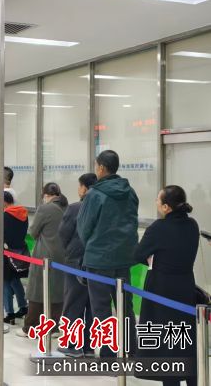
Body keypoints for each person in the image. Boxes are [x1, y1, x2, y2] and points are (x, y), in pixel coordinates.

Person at [134, 186, 198, 386]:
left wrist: (154, 260)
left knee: (165, 341)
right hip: (186, 286)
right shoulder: (192, 225)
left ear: (166, 207)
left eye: (158, 199)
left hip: (161, 288)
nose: (156, 202)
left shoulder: (158, 228)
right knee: (184, 337)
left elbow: (137, 254)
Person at [77, 150, 138, 357]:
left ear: (102, 168)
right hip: (124, 258)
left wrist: (93, 246)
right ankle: (130, 349)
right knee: (125, 306)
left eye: (96, 165)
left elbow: (84, 228)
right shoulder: (130, 192)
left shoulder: (95, 194)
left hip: (99, 260)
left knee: (101, 309)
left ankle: (108, 355)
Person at [17, 182, 68, 337]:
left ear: (46, 195)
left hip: (44, 255)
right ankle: (54, 327)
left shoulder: (45, 208)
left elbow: (33, 232)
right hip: (63, 256)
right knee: (57, 291)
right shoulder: (67, 207)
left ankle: (30, 327)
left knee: (37, 291)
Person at [57, 173, 97, 357]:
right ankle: (88, 346)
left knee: (73, 302)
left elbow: (63, 235)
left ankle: (71, 344)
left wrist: (70, 251)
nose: (78, 189)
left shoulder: (74, 208)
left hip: (75, 261)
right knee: (91, 304)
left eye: (80, 186)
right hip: (95, 262)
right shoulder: (102, 207)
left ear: (85, 188)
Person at [3, 191, 29, 325]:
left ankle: (10, 314)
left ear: (4, 202)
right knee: (15, 280)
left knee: (5, 282)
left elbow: (3, 234)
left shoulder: (5, 216)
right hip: (20, 251)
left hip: (7, 252)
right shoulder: (24, 214)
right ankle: (23, 307)